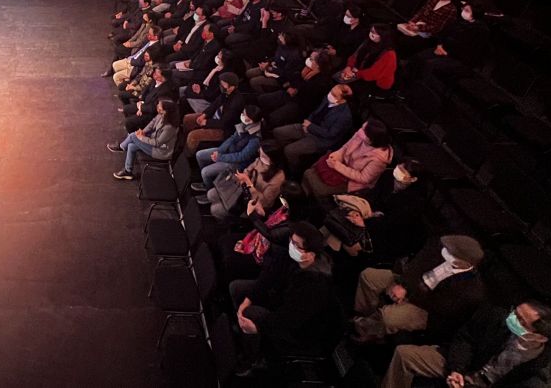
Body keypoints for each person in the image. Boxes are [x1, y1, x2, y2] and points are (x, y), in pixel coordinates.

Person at [232, 221, 340, 377]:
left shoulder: (315, 285)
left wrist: (258, 327)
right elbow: (266, 278)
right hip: (280, 305)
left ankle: (252, 359)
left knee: (252, 314)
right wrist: (245, 302)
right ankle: (246, 330)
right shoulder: (290, 257)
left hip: (298, 330)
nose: (291, 246)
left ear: (310, 254)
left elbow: (289, 320)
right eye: (291, 241)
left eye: (296, 244)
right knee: (237, 288)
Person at [380, 301, 551, 388]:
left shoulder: (539, 367)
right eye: (515, 312)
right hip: (465, 366)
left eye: (521, 321)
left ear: (539, 337)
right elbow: (466, 338)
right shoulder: (496, 316)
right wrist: (457, 369)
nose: (512, 318)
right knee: (405, 355)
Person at [354, 235, 487, 343]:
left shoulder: (471, 290)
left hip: (426, 308)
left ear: (466, 263)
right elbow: (416, 265)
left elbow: (439, 307)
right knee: (369, 276)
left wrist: (408, 295)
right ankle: (365, 317)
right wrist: (404, 286)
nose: (445, 252)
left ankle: (365, 331)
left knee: (389, 316)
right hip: (411, 286)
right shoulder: (441, 249)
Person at [271, 82, 354, 175]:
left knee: (290, 150)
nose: (330, 95)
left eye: (334, 95)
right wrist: (307, 124)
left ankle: (293, 171)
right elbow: (315, 113)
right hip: (309, 126)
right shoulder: (328, 99)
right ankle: (284, 156)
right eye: (331, 91)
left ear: (342, 100)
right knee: (278, 132)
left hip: (320, 139)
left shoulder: (344, 116)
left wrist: (310, 127)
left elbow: (330, 134)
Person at [413, 1, 491, 94]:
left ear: (475, 13)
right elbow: (444, 33)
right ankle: (410, 84)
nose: (463, 11)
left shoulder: (481, 30)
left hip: (460, 59)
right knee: (419, 57)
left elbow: (470, 50)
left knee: (429, 64)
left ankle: (421, 92)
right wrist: (439, 45)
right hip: (443, 49)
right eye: (463, 9)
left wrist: (447, 53)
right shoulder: (459, 21)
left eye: (467, 10)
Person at [302, 120, 393, 197]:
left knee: (318, 186)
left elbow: (364, 178)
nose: (360, 131)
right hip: (343, 165)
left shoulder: (379, 160)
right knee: (311, 170)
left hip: (353, 182)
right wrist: (337, 155)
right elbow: (345, 147)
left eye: (364, 131)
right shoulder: (361, 135)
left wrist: (337, 166)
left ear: (371, 139)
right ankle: (303, 194)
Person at [208, 139, 287, 221]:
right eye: (260, 153)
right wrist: (242, 178)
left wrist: (249, 184)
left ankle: (227, 221)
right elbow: (248, 170)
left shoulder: (278, 178)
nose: (260, 157)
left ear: (272, 158)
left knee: (215, 209)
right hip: (244, 190)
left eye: (263, 156)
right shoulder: (260, 160)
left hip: (254, 203)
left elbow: (264, 202)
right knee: (211, 194)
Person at [193, 104, 263, 192]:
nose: (243, 116)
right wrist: (219, 151)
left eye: (246, 116)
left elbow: (241, 157)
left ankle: (209, 189)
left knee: (205, 172)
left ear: (253, 121)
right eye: (243, 113)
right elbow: (231, 139)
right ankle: (209, 179)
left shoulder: (255, 139)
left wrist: (220, 157)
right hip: (228, 152)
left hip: (236, 163)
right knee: (200, 155)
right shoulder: (244, 125)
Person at [258, 47, 335, 126]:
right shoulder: (306, 68)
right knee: (262, 99)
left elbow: (308, 100)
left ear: (318, 65)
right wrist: (291, 87)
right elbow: (294, 77)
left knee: (274, 117)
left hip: (300, 104)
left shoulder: (322, 82)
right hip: (292, 93)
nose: (308, 59)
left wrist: (297, 90)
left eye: (311, 59)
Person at [110, 98, 180, 180]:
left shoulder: (170, 127)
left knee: (133, 136)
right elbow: (152, 123)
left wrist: (141, 137)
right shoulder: (161, 115)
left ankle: (121, 147)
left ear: (166, 111)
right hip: (154, 143)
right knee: (132, 146)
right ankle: (128, 171)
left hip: (161, 151)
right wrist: (143, 131)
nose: (157, 107)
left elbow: (157, 143)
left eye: (160, 107)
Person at [181, 71, 248, 155]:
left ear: (232, 87)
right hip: (214, 118)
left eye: (224, 84)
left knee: (193, 136)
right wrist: (204, 115)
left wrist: (206, 122)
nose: (221, 85)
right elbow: (214, 105)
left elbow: (224, 123)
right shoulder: (225, 93)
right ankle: (183, 142)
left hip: (224, 129)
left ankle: (188, 154)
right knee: (188, 119)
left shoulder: (236, 102)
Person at [340, 24, 399, 96]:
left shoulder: (389, 54)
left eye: (375, 33)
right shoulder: (367, 42)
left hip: (375, 83)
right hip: (359, 73)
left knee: (344, 90)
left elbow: (374, 74)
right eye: (371, 31)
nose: (371, 34)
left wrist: (355, 74)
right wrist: (349, 66)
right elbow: (354, 56)